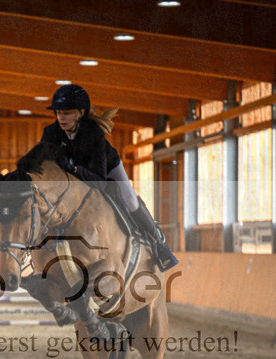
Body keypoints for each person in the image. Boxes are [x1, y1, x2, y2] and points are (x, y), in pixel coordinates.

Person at [40, 84, 178, 271]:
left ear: (80, 113)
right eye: (58, 113)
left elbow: (99, 181)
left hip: (107, 169)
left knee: (129, 199)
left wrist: (73, 167)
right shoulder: (50, 133)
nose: (61, 118)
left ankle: (157, 240)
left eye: (67, 113)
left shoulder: (93, 134)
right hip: (72, 176)